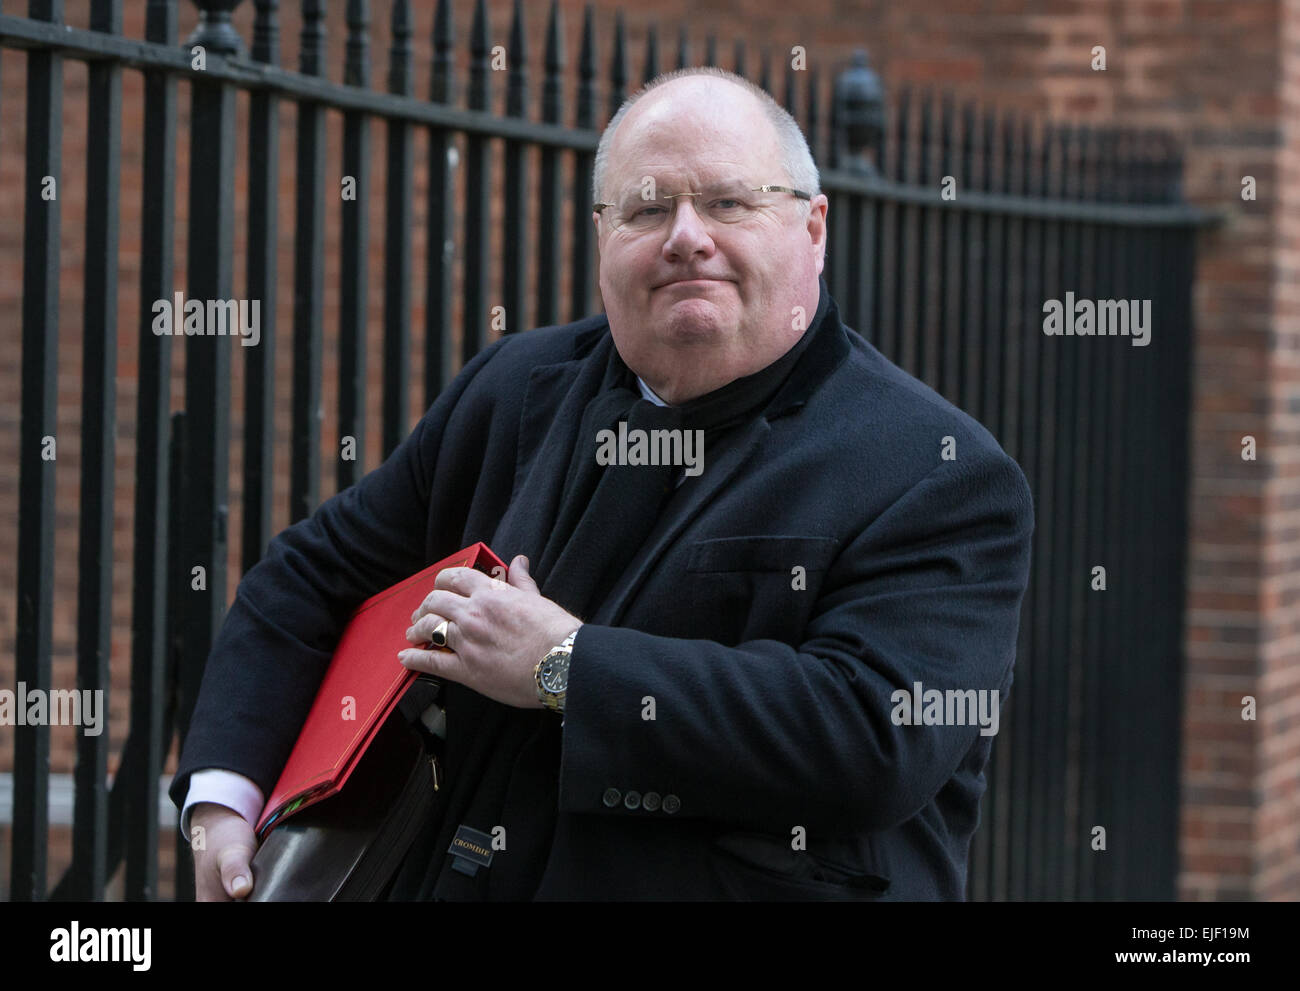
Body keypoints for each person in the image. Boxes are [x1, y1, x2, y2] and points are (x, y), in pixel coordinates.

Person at [171, 67, 1034, 901]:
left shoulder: (938, 469)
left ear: (812, 229)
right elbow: (316, 575)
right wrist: (224, 794)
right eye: (647, 207)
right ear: (601, 237)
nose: (686, 234)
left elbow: (870, 736)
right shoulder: (514, 387)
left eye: (729, 202)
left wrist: (563, 665)